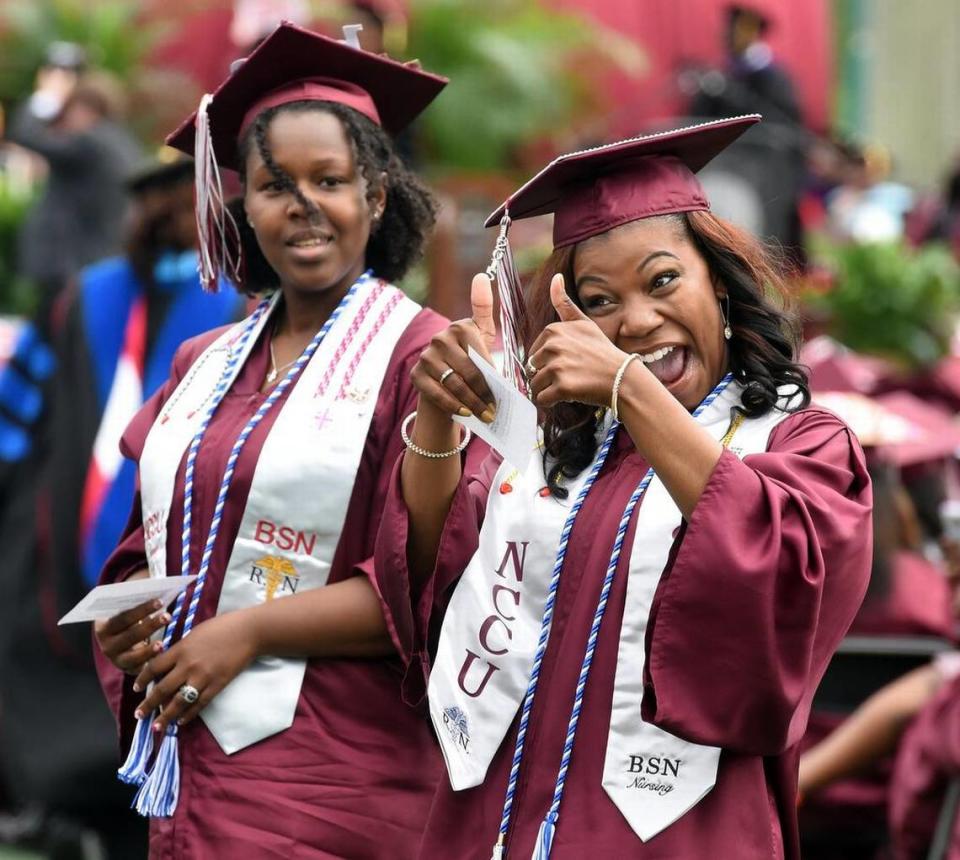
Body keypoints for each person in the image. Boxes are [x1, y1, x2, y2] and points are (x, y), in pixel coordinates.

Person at [374, 115, 873, 858]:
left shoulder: (799, 442)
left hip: (678, 834)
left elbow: (781, 587)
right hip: (497, 820)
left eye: (664, 280)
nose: (636, 321)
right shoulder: (556, 453)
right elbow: (428, 579)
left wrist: (628, 387)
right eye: (599, 302)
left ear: (722, 286)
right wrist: (440, 418)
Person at [92, 22, 450, 859]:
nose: (302, 207)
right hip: (190, 757)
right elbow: (148, 541)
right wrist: (126, 613)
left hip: (332, 774)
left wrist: (245, 631)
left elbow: (428, 584)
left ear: (378, 194)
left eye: (330, 179)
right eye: (272, 184)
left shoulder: (421, 357)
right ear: (241, 206)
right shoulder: (204, 361)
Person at [0, 150, 241, 858]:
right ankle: (70, 809)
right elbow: (16, 415)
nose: (170, 214)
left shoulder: (234, 308)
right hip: (90, 544)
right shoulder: (90, 297)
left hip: (133, 545)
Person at [5, 63, 141, 310]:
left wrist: (47, 96)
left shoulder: (88, 143)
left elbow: (26, 135)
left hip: (68, 267)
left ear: (81, 108)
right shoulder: (123, 144)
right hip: (101, 260)